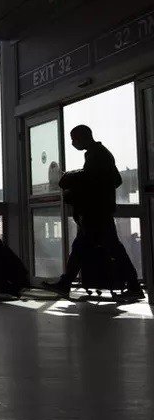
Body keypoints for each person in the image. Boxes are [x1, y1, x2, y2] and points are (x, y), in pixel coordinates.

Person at [43, 125, 144, 302]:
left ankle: (65, 284)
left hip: (96, 213)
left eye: (74, 139)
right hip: (100, 211)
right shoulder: (101, 153)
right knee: (98, 248)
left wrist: (71, 181)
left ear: (82, 138)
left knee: (87, 248)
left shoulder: (96, 156)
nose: (73, 143)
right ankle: (133, 286)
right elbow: (116, 180)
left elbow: (90, 180)